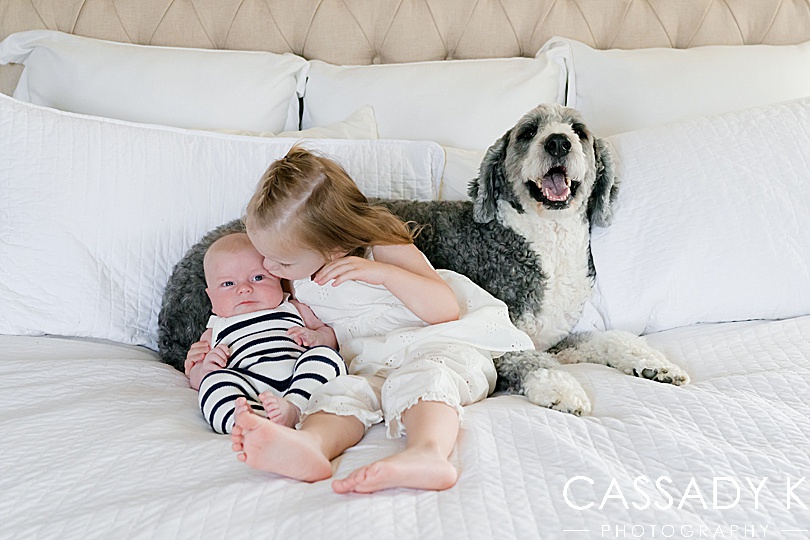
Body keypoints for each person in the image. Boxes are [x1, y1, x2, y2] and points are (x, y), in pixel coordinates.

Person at [216, 145, 533, 493]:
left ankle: (428, 453)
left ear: (333, 249)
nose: (268, 268)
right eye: (265, 256)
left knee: (426, 379)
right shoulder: (295, 271)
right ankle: (312, 445)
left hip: (434, 345)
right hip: (369, 365)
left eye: (281, 263)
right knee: (339, 392)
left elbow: (445, 309)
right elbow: (308, 324)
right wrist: (321, 339)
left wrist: (381, 274)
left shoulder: (381, 246)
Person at [185, 231, 346, 434]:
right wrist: (206, 368)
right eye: (228, 284)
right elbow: (195, 376)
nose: (244, 288)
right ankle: (248, 422)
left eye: (258, 277)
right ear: (211, 296)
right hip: (248, 387)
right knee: (213, 384)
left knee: (325, 357)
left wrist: (318, 338)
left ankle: (294, 407)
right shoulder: (214, 330)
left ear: (278, 279)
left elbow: (331, 335)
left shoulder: (293, 308)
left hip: (299, 376)